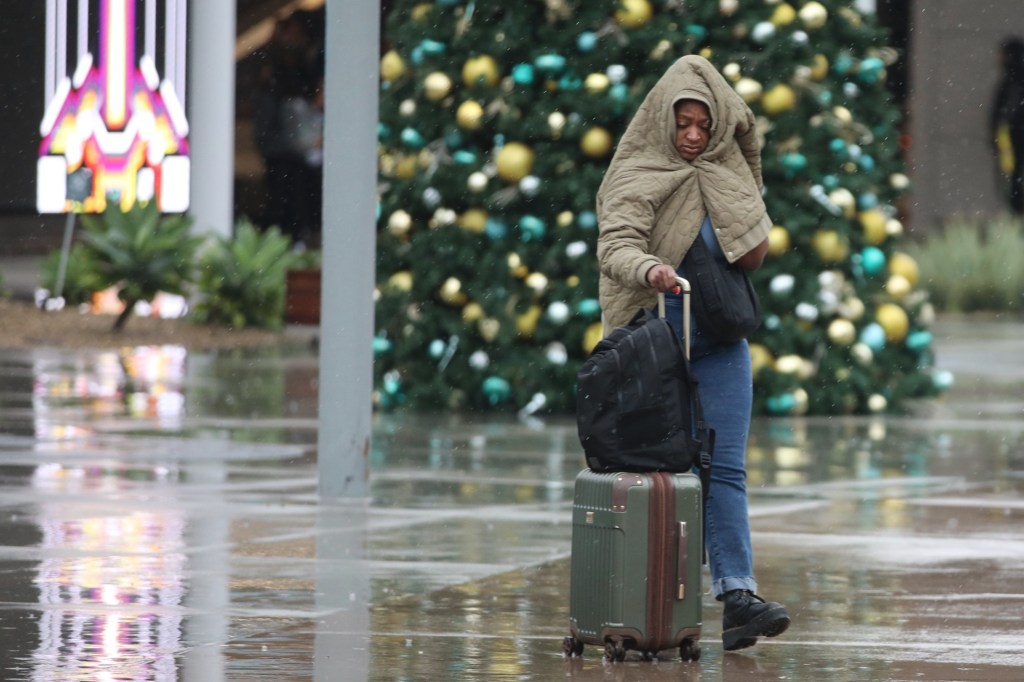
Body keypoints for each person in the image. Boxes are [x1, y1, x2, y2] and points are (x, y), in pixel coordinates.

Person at [595, 54, 790, 651]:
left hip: (720, 342)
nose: (693, 136)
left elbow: (753, 252)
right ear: (663, 120)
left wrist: (722, 191)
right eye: (683, 123)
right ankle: (646, 607)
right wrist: (651, 268)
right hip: (653, 343)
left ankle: (737, 597)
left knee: (724, 470)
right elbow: (615, 246)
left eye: (704, 124)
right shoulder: (636, 170)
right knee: (661, 476)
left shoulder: (726, 171)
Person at [991, 36, 1024, 214]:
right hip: (1012, 141)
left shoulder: (1014, 80)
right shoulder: (1012, 79)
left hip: (1014, 141)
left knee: (1015, 182)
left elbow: (1005, 113)